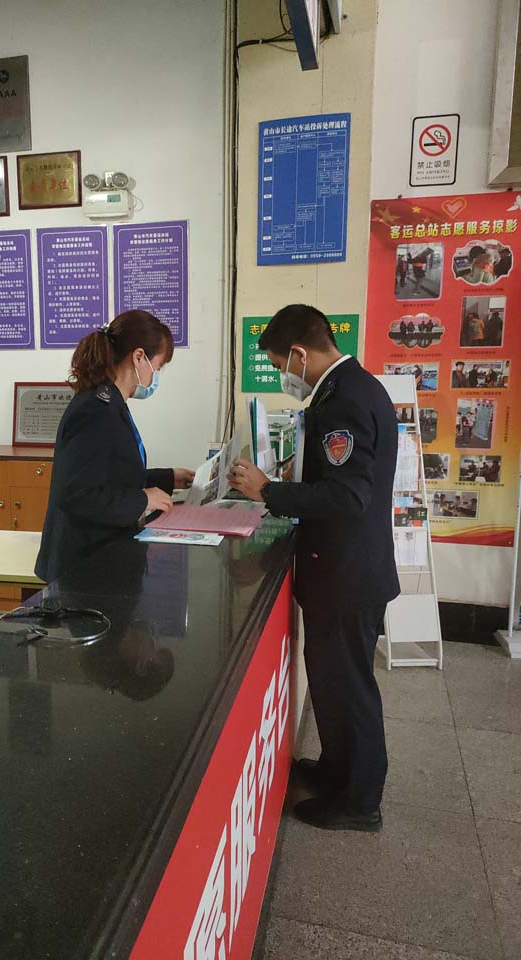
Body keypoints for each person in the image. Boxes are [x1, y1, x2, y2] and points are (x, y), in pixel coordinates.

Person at [227, 304, 399, 832]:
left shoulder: (344, 399)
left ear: (299, 353)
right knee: (332, 683)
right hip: (344, 569)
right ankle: (336, 770)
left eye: (281, 364)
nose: (284, 375)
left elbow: (347, 495)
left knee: (348, 688)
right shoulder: (348, 388)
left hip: (347, 574)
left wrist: (269, 491)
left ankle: (359, 802)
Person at [34, 310, 195, 583]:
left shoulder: (111, 402)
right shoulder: (95, 410)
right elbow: (79, 495)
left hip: (100, 560)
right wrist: (143, 499)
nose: (156, 376)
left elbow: (110, 475)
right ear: (139, 357)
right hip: (83, 569)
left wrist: (167, 478)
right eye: (158, 367)